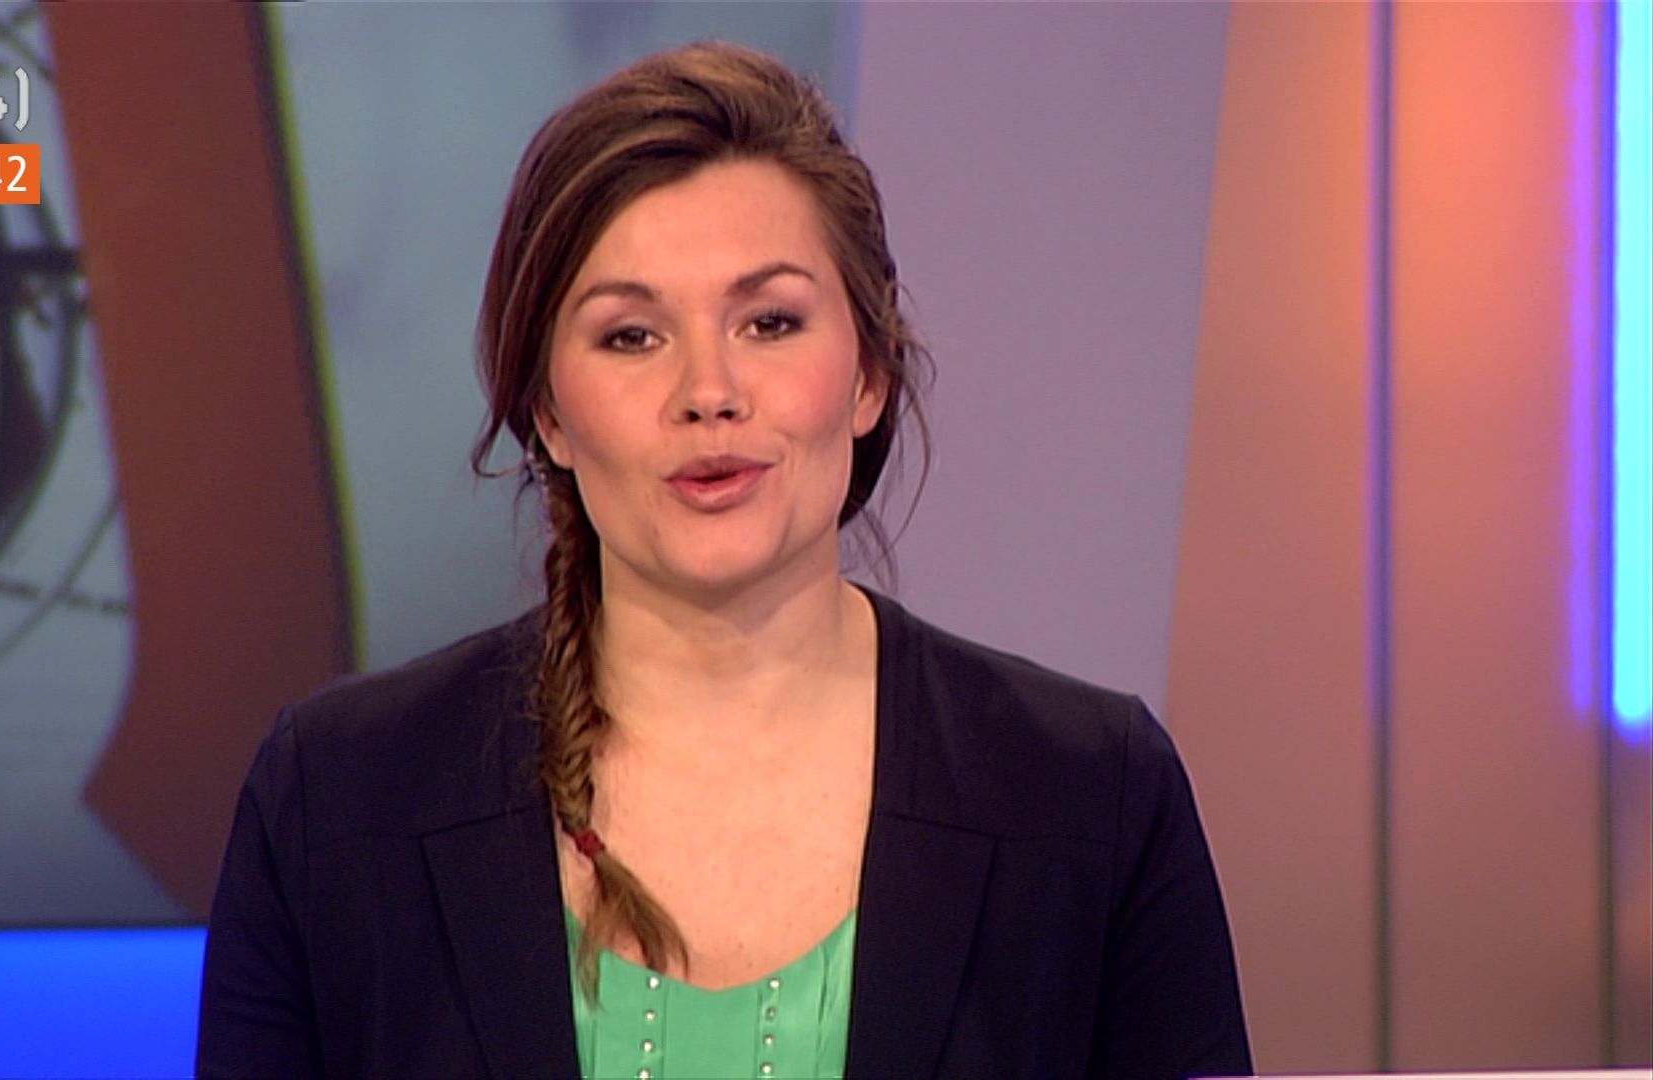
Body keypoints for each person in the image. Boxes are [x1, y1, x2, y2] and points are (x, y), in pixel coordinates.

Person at [197, 40, 1251, 1079]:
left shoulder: (1090, 795)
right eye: (631, 336)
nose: (709, 391)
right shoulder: (337, 800)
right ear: (548, 413)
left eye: (770, 322)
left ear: (870, 375)